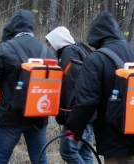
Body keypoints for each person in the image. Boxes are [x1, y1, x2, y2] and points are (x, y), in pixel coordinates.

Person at [65, 10, 134, 164]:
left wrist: (72, 131)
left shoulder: (95, 59)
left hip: (115, 141)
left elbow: (86, 103)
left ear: (96, 34)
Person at [0, 9, 54, 164]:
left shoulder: (4, 49)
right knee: (40, 160)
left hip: (10, 116)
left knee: (0, 158)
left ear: (13, 26)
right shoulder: (47, 51)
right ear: (32, 27)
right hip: (38, 115)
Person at [45, 26, 94, 164]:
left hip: (76, 114)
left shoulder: (69, 53)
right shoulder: (81, 50)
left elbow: (70, 85)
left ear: (57, 41)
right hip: (88, 113)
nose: (50, 47)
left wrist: (62, 111)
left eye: (50, 43)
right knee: (85, 154)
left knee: (68, 150)